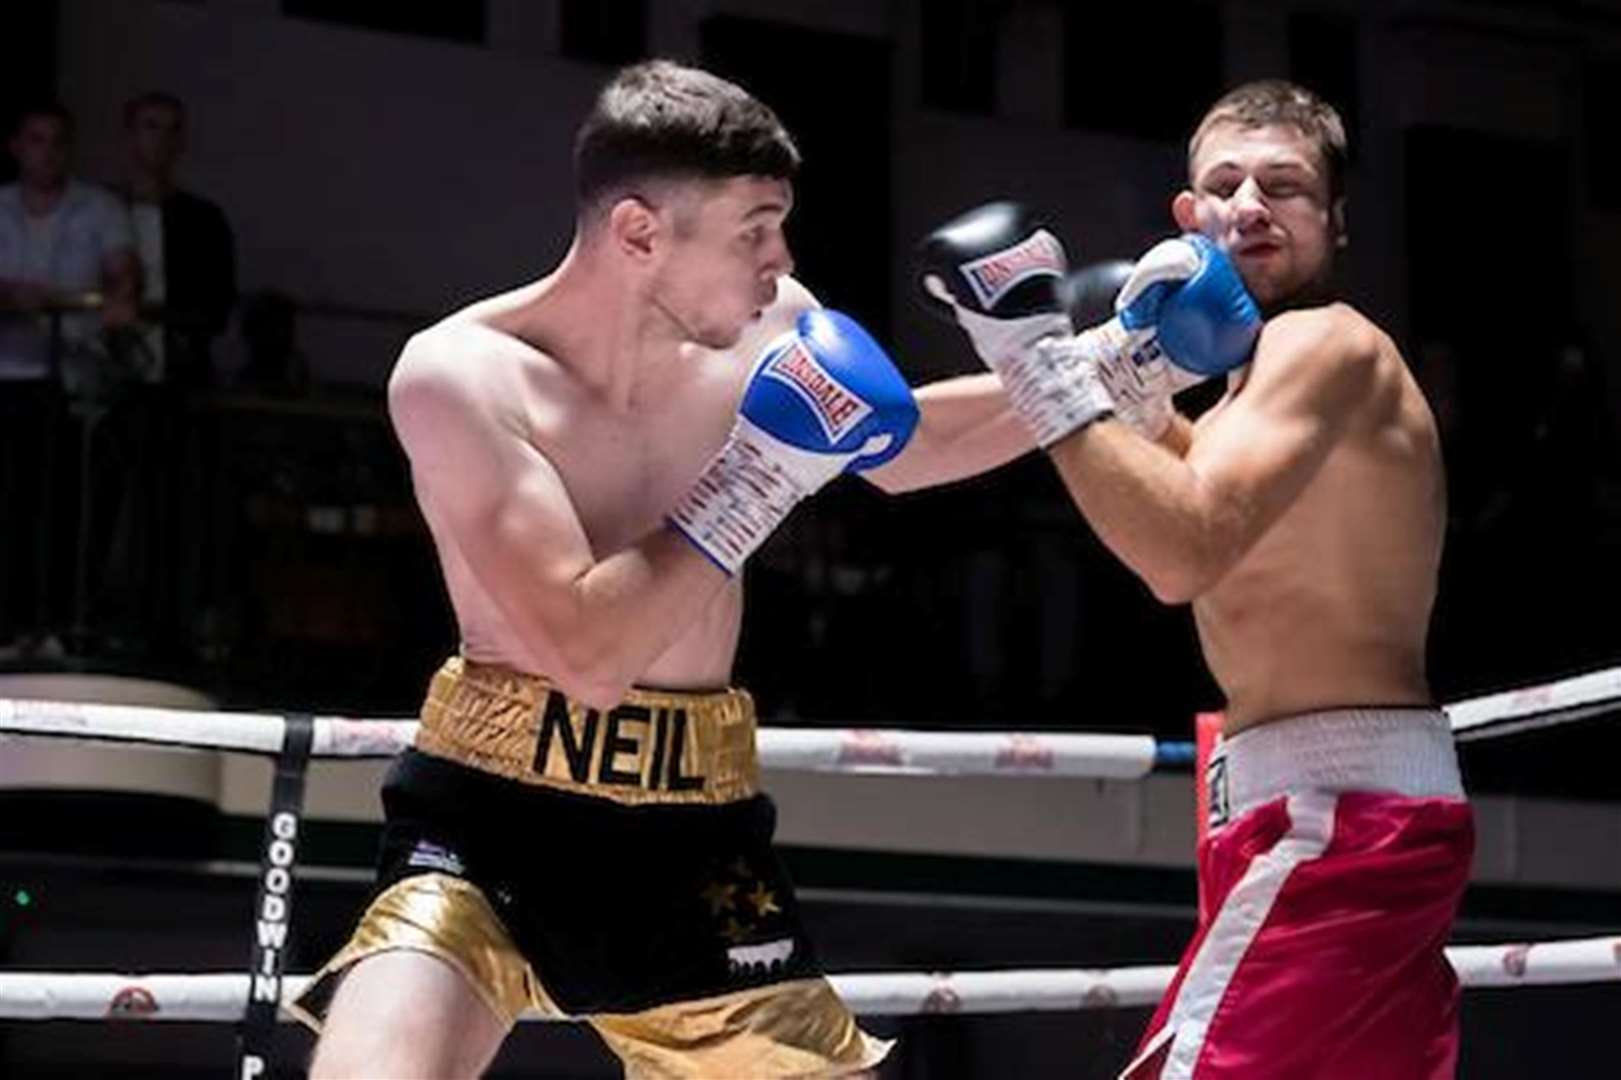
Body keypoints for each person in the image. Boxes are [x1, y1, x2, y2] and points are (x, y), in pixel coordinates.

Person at [291, 59, 1033, 1079]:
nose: (781, 259)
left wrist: (1100, 373)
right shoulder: (461, 377)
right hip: (489, 813)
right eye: (754, 228)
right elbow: (588, 652)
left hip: (693, 822)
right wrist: (760, 477)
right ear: (639, 232)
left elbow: (907, 448)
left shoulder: (769, 327)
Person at [920, 80, 1472, 1078]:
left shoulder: (1326, 343)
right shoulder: (1229, 413)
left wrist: (1037, 358)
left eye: (1286, 186)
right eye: (1228, 184)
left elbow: (1181, 551)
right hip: (1331, 815)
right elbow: (1163, 494)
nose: (1253, 204)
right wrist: (1101, 381)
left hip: (1333, 823)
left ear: (1335, 222)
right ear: (1190, 218)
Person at [0, 101, 139, 655]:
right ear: (16, 146)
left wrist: (115, 297)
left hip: (71, 381)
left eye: (58, 141)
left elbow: (123, 274)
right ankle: (7, 627)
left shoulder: (98, 208)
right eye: (36, 139)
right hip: (5, 375)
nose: (47, 151)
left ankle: (56, 625)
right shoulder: (0, 205)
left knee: (61, 508)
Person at [117, 90, 236, 386]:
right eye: (151, 127)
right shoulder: (101, 212)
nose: (163, 140)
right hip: (107, 366)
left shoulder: (203, 219)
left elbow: (218, 300)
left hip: (180, 372)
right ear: (131, 136)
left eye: (173, 130)